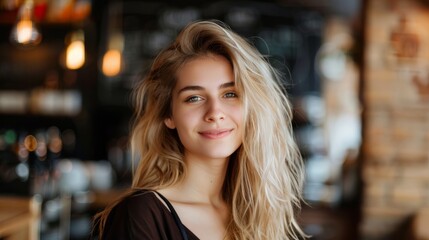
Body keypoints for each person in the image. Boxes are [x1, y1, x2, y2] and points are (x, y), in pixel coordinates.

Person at [94, 20, 306, 240]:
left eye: (230, 94)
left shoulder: (257, 214)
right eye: (194, 98)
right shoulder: (141, 214)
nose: (215, 112)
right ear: (168, 115)